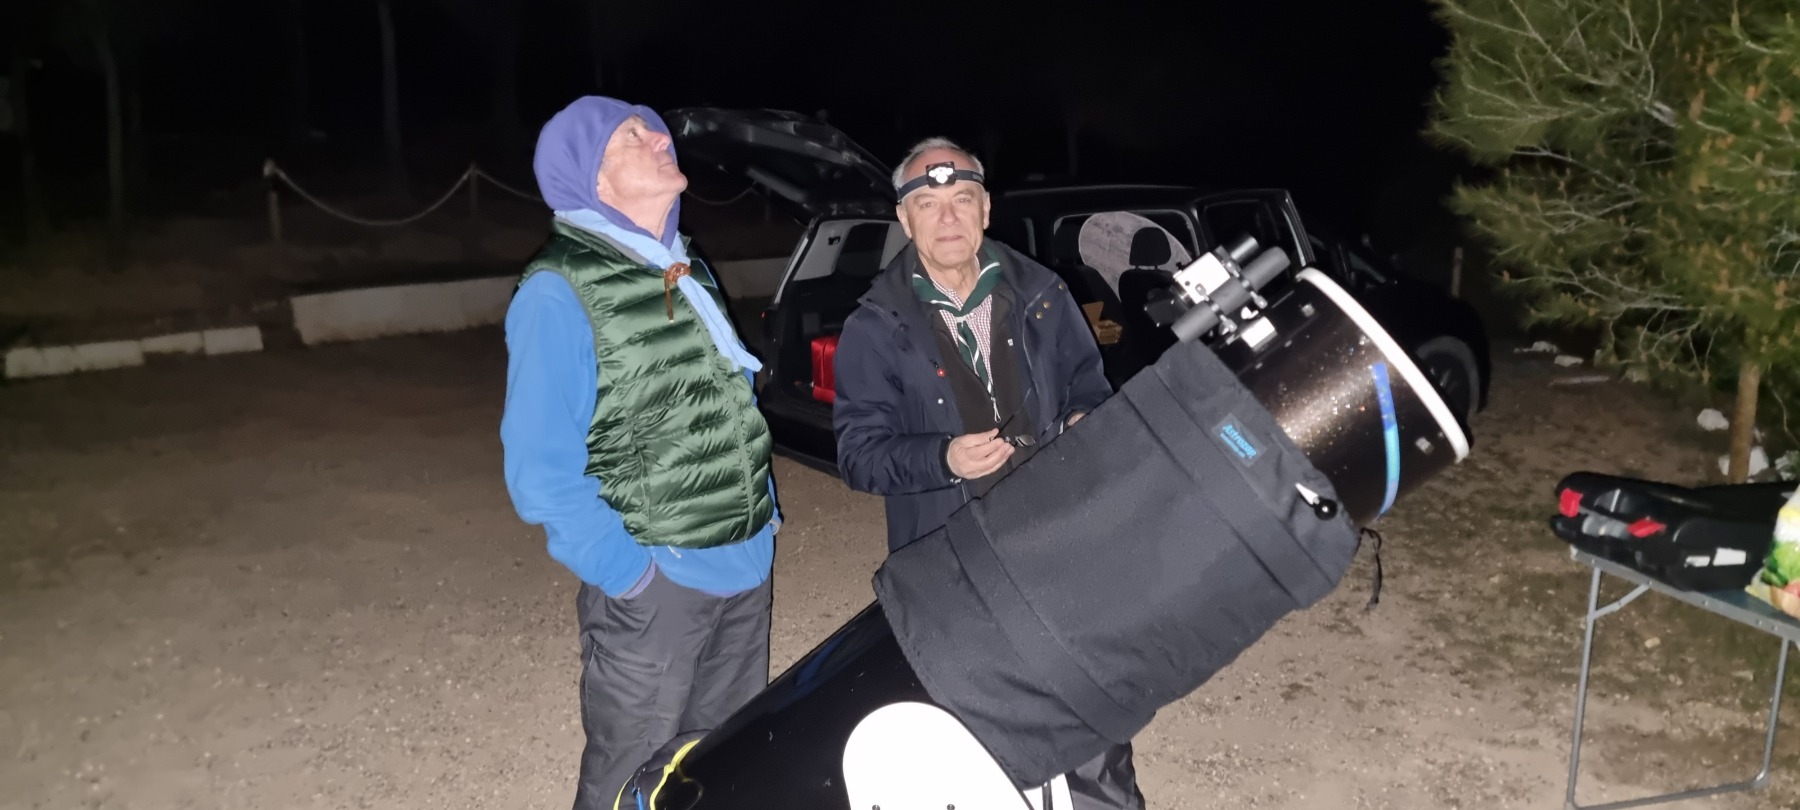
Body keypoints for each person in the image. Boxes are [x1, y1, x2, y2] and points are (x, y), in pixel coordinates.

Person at [831, 138, 1143, 809]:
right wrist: (942, 458)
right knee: (980, 741)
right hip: (954, 563)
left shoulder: (1044, 294)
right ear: (904, 218)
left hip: (1060, 539)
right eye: (929, 203)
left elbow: (1091, 388)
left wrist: (1085, 419)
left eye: (963, 199)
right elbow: (858, 454)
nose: (948, 217)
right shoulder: (875, 326)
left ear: (986, 209)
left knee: (1090, 719)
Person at [499, 96, 782, 810]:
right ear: (590, 178)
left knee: (724, 765)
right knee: (629, 778)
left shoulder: (682, 268)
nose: (658, 138)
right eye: (631, 136)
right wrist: (629, 576)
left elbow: (725, 403)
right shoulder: (559, 291)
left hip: (744, 561)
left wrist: (762, 519)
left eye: (654, 130)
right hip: (660, 580)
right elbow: (539, 471)